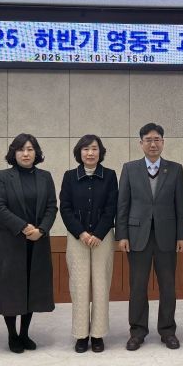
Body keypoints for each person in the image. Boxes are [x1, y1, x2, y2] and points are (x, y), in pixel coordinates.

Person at [116, 123, 183, 351]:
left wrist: (182, 236)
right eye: (148, 140)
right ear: (141, 143)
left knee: (168, 286)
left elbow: (181, 206)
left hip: (167, 236)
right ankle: (137, 331)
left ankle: (168, 331)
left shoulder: (175, 169)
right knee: (138, 286)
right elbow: (122, 204)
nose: (153, 144)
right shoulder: (130, 169)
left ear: (163, 142)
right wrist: (122, 234)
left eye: (157, 139)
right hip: (138, 236)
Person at [0, 133, 58, 353]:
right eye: (21, 149)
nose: (26, 154)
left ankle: (25, 333)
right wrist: (24, 227)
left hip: (37, 241)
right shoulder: (3, 176)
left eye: (30, 149)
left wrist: (41, 230)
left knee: (32, 287)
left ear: (36, 153)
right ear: (14, 153)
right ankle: (12, 335)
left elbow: (51, 207)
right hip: (11, 240)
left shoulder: (45, 177)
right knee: (11, 288)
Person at [60, 135, 118, 353]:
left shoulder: (110, 176)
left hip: (103, 237)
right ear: (79, 152)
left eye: (94, 148)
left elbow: (112, 207)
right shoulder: (69, 176)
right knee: (79, 285)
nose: (90, 153)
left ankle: (98, 334)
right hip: (78, 238)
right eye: (85, 149)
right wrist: (81, 233)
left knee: (101, 285)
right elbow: (65, 208)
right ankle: (81, 335)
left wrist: (99, 233)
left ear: (100, 152)